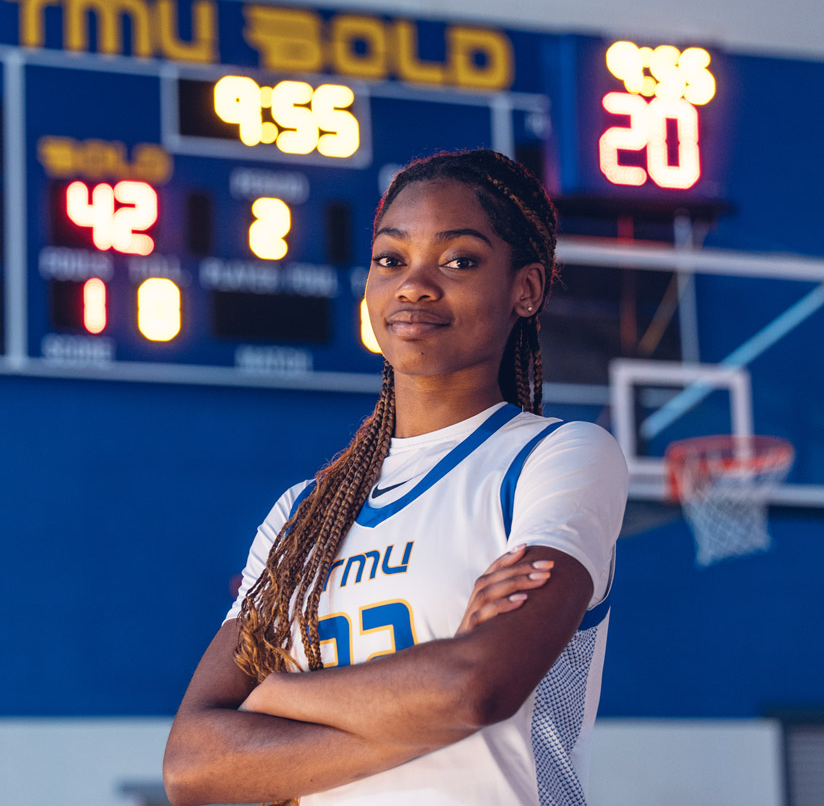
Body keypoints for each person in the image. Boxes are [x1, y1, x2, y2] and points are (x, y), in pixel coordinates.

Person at [163, 149, 628, 806]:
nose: (414, 285)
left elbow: (478, 687)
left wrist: (276, 695)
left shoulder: (558, 457)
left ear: (525, 289)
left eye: (459, 260)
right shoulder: (304, 515)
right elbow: (192, 766)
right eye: (391, 259)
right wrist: (436, 692)